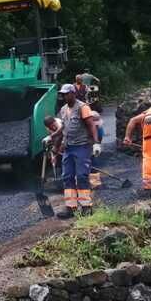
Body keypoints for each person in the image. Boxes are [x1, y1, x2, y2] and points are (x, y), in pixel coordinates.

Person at [56, 83, 102, 217]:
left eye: (67, 94)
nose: (64, 96)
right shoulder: (63, 109)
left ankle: (86, 206)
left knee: (82, 175)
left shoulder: (83, 107)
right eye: (63, 94)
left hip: (82, 146)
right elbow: (63, 129)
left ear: (73, 93)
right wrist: (53, 141)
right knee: (67, 176)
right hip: (68, 148)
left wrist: (96, 143)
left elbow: (91, 125)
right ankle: (71, 207)